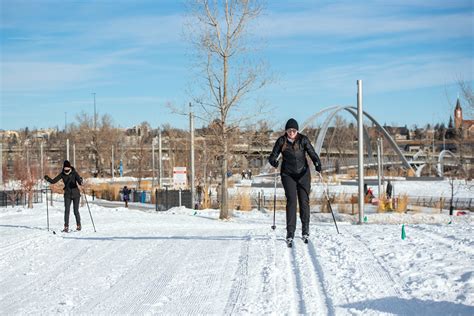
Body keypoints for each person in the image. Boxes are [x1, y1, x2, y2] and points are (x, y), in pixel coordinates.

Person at [268, 118, 322, 246]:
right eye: (289, 130)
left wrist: (317, 163)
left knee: (304, 201)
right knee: (292, 201)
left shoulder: (303, 139)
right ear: (286, 131)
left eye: (294, 130)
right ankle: (290, 233)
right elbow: (272, 156)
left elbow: (312, 153)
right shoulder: (281, 141)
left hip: (303, 174)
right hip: (288, 175)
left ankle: (305, 231)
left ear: (297, 130)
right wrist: (273, 161)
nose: (291, 132)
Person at [44, 160, 83, 232]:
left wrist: (81, 180)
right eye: (65, 169)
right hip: (67, 194)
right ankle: (66, 227)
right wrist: (47, 178)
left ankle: (78, 225)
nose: (66, 170)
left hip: (76, 194)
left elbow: (80, 182)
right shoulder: (62, 174)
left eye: (67, 168)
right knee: (67, 211)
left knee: (75, 211)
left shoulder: (74, 173)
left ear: (70, 167)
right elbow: (53, 181)